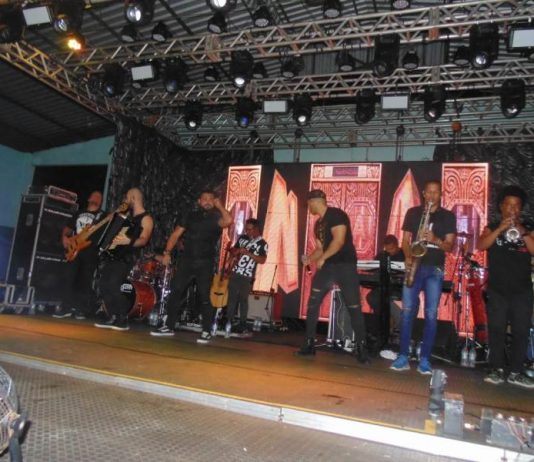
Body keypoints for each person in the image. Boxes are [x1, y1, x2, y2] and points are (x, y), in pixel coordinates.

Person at [391, 180, 456, 375]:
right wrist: (408, 257)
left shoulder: (448, 216)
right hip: (414, 266)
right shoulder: (413, 213)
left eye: (436, 192)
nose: (432, 196)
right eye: (429, 192)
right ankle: (403, 356)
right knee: (407, 312)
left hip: (434, 269)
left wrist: (434, 239)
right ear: (424, 193)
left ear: (440, 194)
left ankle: (425, 359)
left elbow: (450, 246)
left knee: (430, 314)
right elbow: (405, 241)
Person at [296, 189, 368, 363]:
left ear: (315, 201)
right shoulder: (318, 224)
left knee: (354, 307)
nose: (308, 207)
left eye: (309, 203)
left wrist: (323, 258)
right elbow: (320, 249)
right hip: (328, 268)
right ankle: (309, 344)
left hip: (345, 266)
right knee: (312, 304)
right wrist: (309, 258)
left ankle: (361, 348)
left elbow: (339, 241)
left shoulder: (336, 215)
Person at [151, 190, 232, 343]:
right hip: (187, 260)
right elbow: (176, 234)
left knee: (204, 295)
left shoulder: (217, 217)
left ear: (214, 201)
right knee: (176, 291)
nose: (207, 201)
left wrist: (220, 206)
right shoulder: (190, 216)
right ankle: (169, 326)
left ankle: (206, 330)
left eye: (210, 199)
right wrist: (167, 252)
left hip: (205, 262)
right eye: (204, 199)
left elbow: (228, 221)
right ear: (199, 201)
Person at [477, 185, 534, 389]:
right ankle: (496, 369)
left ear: (521, 208)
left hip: (522, 290)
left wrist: (523, 232)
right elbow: (481, 245)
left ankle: (517, 372)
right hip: (498, 288)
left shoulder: (528, 227)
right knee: (496, 329)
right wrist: (500, 229)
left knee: (521, 330)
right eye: (509, 205)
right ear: (502, 207)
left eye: (516, 206)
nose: (512, 209)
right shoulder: (492, 226)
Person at [95, 188, 153, 331]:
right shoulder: (127, 217)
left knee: (113, 284)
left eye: (127, 198)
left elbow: (144, 240)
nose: (125, 201)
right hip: (115, 255)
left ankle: (122, 317)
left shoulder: (146, 218)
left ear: (133, 198)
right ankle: (112, 315)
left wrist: (128, 241)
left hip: (127, 257)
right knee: (103, 284)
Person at [54, 191, 105, 319]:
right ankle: (66, 307)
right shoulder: (78, 213)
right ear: (89, 198)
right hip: (74, 249)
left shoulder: (102, 216)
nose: (97, 198)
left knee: (85, 280)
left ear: (101, 202)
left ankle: (80, 309)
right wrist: (64, 237)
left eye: (99, 197)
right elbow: (68, 228)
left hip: (90, 251)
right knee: (68, 277)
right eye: (94, 196)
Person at [224, 218, 268, 338]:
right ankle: (229, 321)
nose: (247, 231)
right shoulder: (242, 238)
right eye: (246, 229)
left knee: (243, 299)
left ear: (256, 229)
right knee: (232, 298)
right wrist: (237, 251)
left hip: (247, 275)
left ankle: (242, 324)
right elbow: (233, 251)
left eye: (250, 229)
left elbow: (262, 260)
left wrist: (248, 253)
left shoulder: (262, 243)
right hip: (235, 272)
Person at [365, 234, 405, 350]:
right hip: (383, 287)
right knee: (371, 297)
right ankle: (385, 323)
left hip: (398, 288)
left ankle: (388, 326)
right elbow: (373, 268)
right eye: (387, 249)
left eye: (391, 249)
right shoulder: (382, 255)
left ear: (397, 245)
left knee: (386, 299)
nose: (389, 252)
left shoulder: (404, 255)